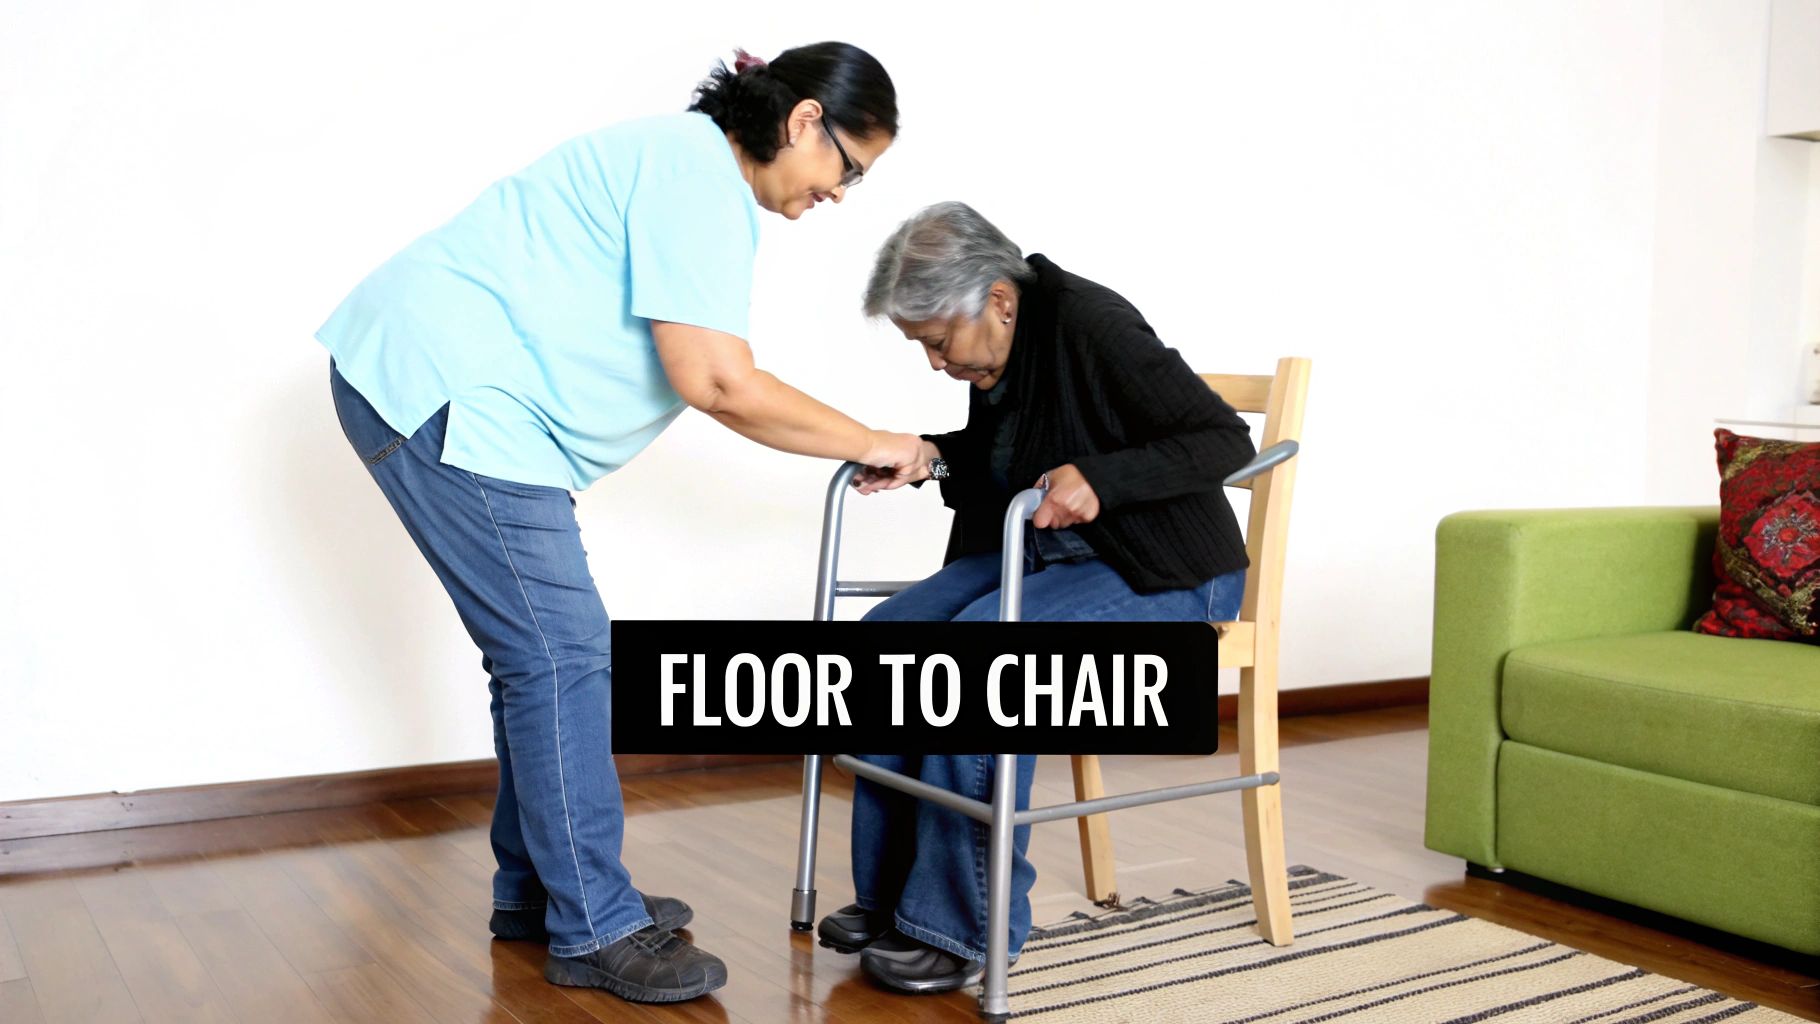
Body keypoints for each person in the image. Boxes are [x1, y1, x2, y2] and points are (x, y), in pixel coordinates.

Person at [318, 43, 925, 1004]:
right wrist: (872, 437)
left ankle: (539, 893)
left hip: (445, 389)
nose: (844, 194)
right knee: (561, 655)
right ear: (805, 121)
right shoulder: (700, 180)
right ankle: (594, 926)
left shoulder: (687, 163)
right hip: (451, 396)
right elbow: (718, 380)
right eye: (849, 168)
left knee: (543, 656)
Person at [820, 201, 1255, 994]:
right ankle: (891, 899)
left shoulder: (1092, 323)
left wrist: (1106, 480)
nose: (936, 364)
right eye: (921, 347)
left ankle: (959, 927)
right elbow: (999, 461)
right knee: (884, 639)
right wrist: (931, 459)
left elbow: (1226, 438)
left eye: (938, 342)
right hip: (1054, 553)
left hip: (1167, 567)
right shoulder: (998, 352)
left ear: (999, 299)